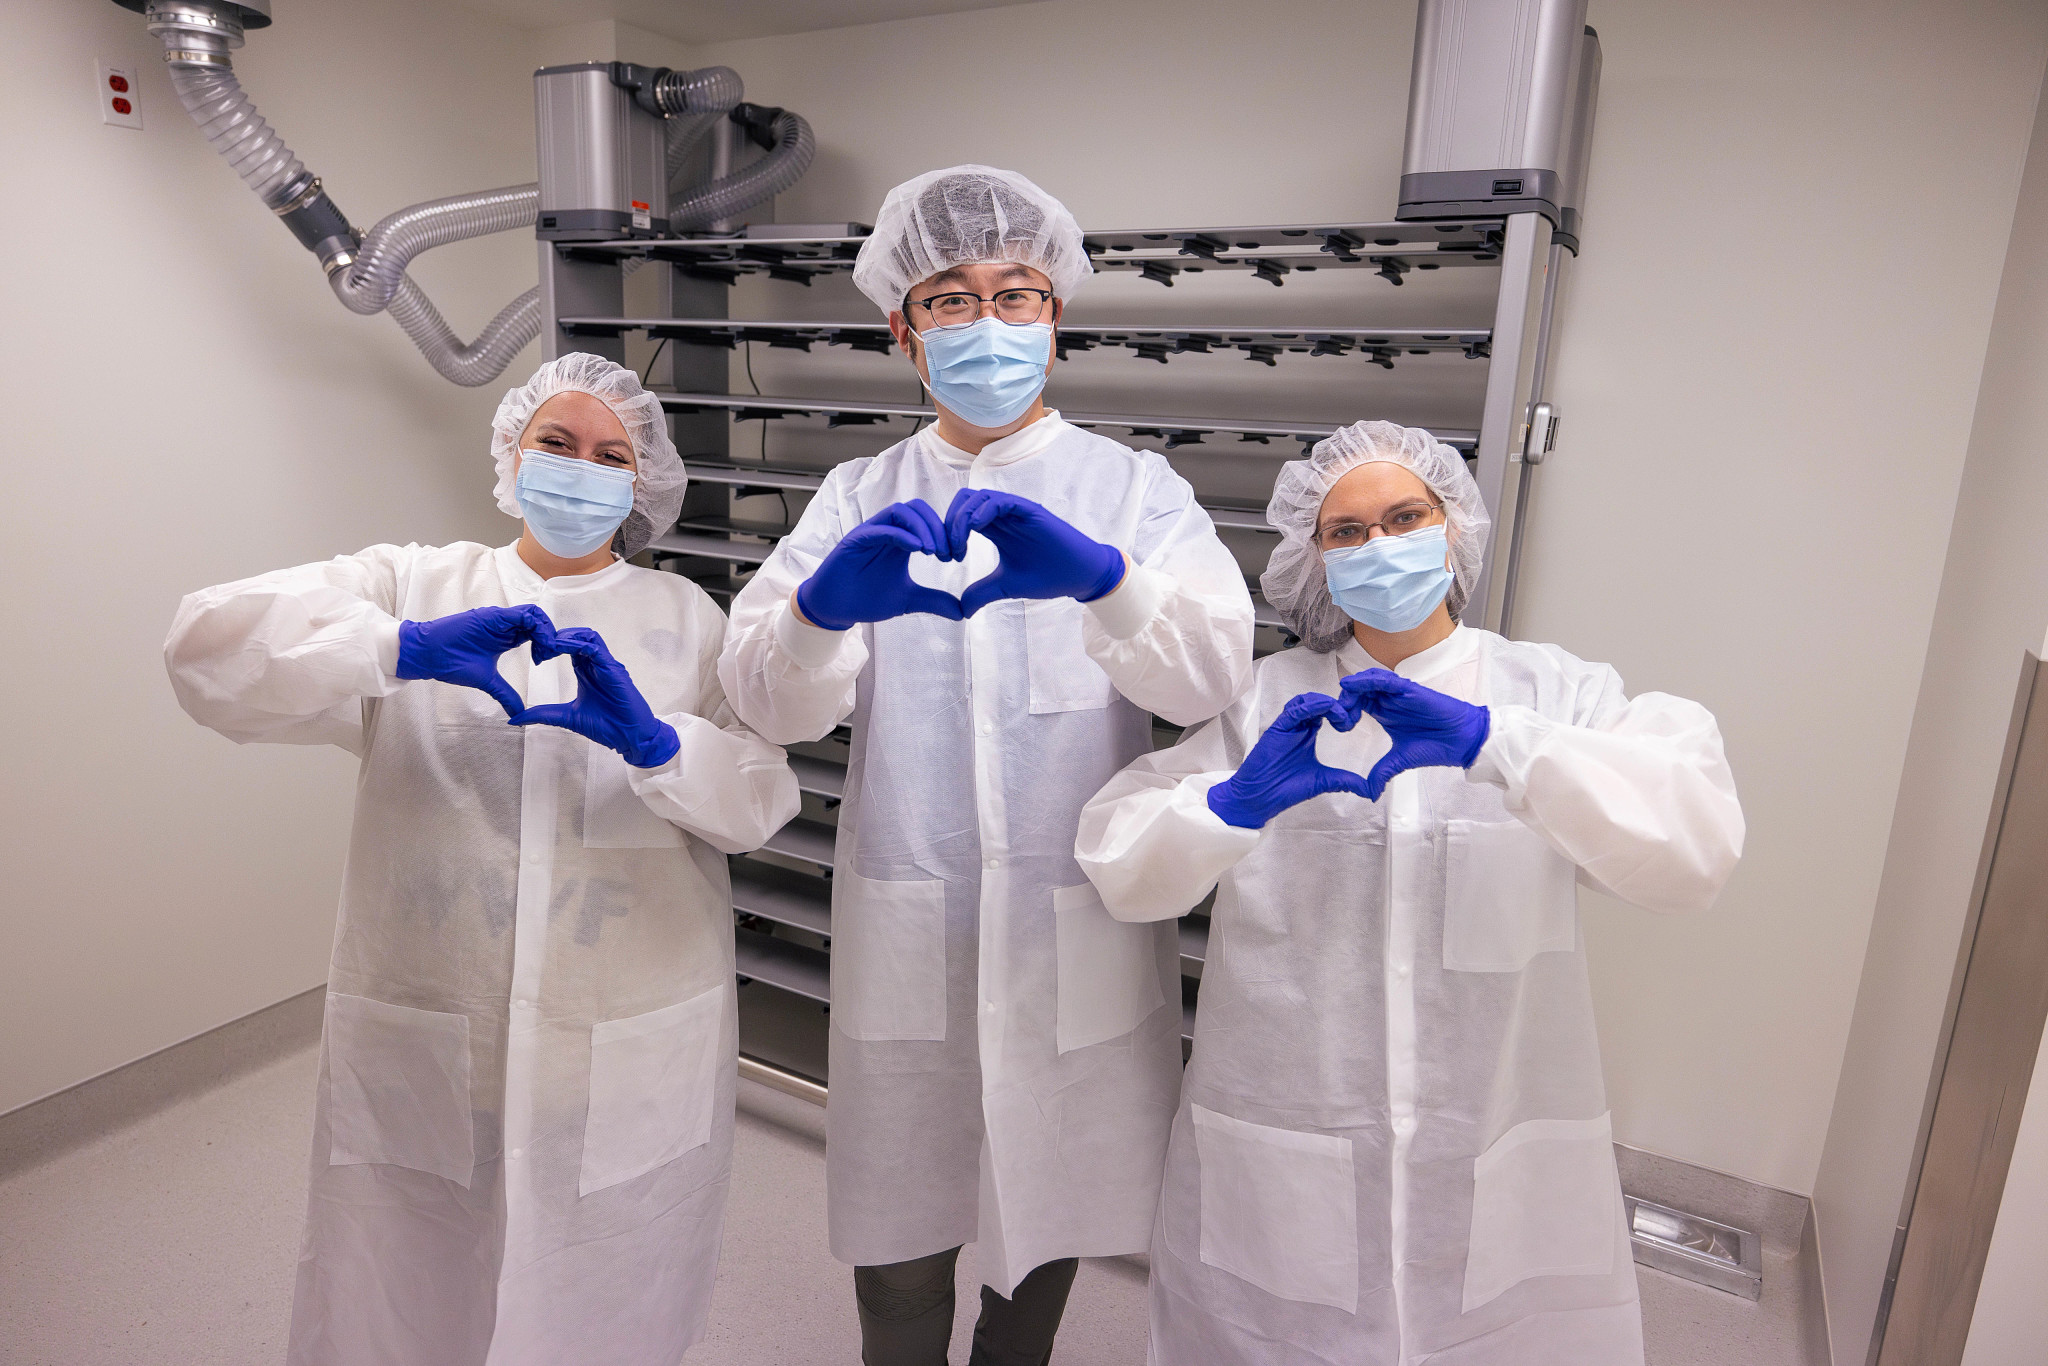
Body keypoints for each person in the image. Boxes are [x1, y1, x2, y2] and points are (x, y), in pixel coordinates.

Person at [717, 165, 1256, 1364]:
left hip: (1070, 915)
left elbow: (1209, 676)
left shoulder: (1130, 491)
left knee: (1052, 1199)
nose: (988, 322)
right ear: (900, 329)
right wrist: (815, 608)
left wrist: (1109, 582)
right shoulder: (858, 493)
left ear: (1055, 315)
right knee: (899, 1222)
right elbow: (766, 698)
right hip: (913, 906)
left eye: (1016, 292)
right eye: (949, 298)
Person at [163, 353, 800, 1366]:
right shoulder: (414, 582)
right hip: (429, 1034)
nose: (581, 469)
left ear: (641, 482)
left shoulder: (686, 621)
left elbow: (761, 801)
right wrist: (398, 648)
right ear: (511, 451)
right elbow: (204, 650)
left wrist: (659, 744)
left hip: (620, 1043)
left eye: (610, 453)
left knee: (604, 1292)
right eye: (556, 442)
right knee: (405, 1287)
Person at [1075, 420, 1745, 1364]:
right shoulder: (1263, 706)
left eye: (1405, 516)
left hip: (1492, 1133)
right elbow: (1119, 863)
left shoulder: (1552, 694)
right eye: (1346, 532)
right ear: (1313, 560)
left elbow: (1695, 849)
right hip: (1284, 1140)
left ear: (1452, 528)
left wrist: (1500, 746)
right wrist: (1227, 806)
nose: (1379, 545)